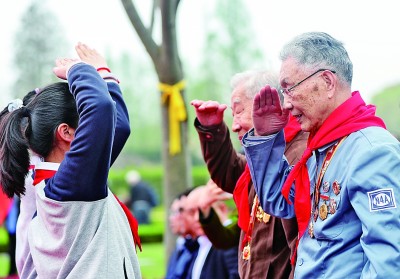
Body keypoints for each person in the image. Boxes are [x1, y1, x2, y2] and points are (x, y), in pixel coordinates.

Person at [242, 32, 400, 278]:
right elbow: (279, 202)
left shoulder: (372, 151)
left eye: (289, 88)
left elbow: (389, 261)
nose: (285, 104)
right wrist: (265, 139)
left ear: (327, 82)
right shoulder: (323, 147)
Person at [0, 43, 141, 278]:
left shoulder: (63, 181)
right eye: (83, 123)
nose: (93, 130)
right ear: (66, 133)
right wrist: (80, 70)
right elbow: (101, 107)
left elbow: (119, 126)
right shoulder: (71, 184)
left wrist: (104, 75)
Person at [191, 70, 308, 278]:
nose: (234, 125)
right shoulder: (263, 158)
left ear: (267, 105)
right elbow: (231, 172)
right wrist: (212, 129)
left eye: (239, 111)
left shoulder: (298, 154)